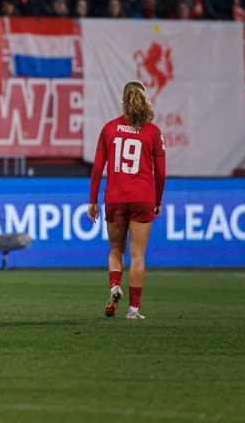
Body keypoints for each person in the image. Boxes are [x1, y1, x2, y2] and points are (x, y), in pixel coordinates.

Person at [88, 81, 166, 321]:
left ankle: (114, 286)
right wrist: (157, 200)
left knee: (115, 249)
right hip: (143, 197)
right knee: (138, 255)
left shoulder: (109, 128)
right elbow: (160, 172)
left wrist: (92, 200)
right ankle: (133, 309)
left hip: (115, 197)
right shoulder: (152, 131)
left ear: (123, 100)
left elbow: (97, 168)